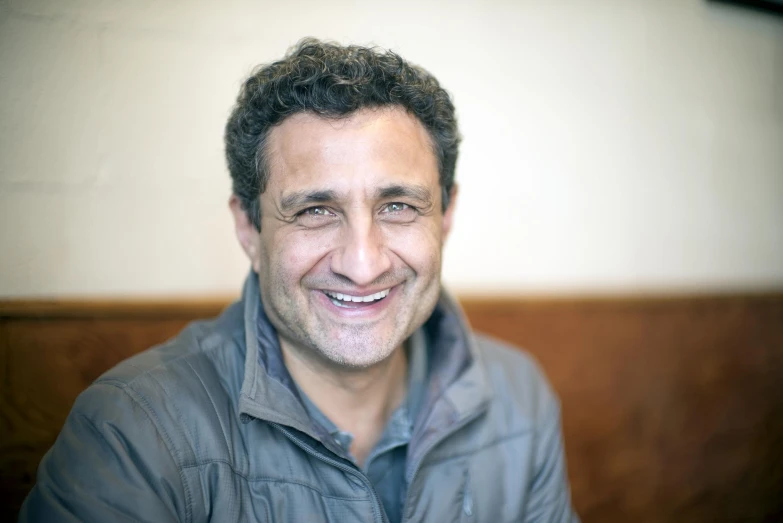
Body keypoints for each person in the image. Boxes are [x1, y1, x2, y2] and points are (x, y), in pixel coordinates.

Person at [19, 39, 579, 522]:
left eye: (399, 206)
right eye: (315, 210)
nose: (363, 264)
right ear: (248, 228)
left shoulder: (517, 399)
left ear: (446, 216)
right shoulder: (132, 433)